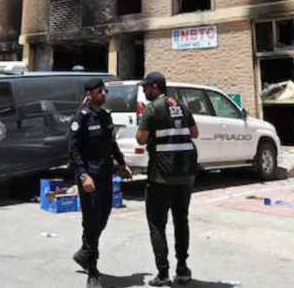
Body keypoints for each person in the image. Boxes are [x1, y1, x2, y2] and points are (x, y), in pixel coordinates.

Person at [136, 72, 199, 286]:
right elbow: (195, 132)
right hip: (186, 174)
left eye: (146, 87)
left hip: (161, 177)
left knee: (157, 224)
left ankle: (163, 273)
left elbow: (141, 138)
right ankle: (182, 268)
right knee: (181, 221)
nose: (144, 91)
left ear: (155, 87)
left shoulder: (153, 109)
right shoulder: (182, 105)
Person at [68, 78, 132, 287]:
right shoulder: (82, 117)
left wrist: (122, 164)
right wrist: (83, 175)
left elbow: (111, 144)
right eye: (99, 91)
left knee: (102, 218)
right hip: (89, 178)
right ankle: (92, 270)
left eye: (104, 90)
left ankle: (84, 252)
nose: (104, 93)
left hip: (105, 175)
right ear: (89, 94)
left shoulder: (105, 117)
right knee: (92, 221)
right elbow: (73, 149)